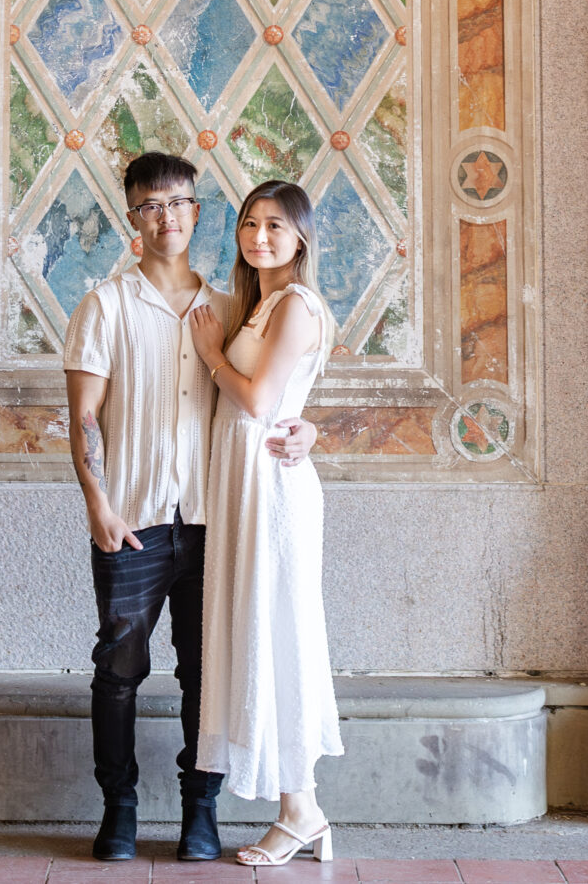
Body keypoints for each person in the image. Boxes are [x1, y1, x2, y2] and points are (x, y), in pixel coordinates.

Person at [64, 153, 318, 862]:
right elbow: (82, 416)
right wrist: (99, 504)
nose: (166, 216)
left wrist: (310, 429)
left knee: (208, 670)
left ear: (197, 212)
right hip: (133, 521)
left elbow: (269, 391)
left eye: (179, 203)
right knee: (119, 666)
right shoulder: (104, 305)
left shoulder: (231, 309)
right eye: (151, 205)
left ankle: (199, 812)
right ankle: (118, 809)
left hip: (216, 522)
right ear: (133, 217)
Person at [188, 179, 342, 867]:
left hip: (272, 487)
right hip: (244, 482)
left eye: (276, 225)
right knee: (259, 630)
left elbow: (256, 400)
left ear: (301, 236)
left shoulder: (298, 305)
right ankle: (298, 807)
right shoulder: (258, 304)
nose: (259, 236)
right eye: (250, 223)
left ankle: (301, 808)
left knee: (280, 632)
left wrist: (213, 355)